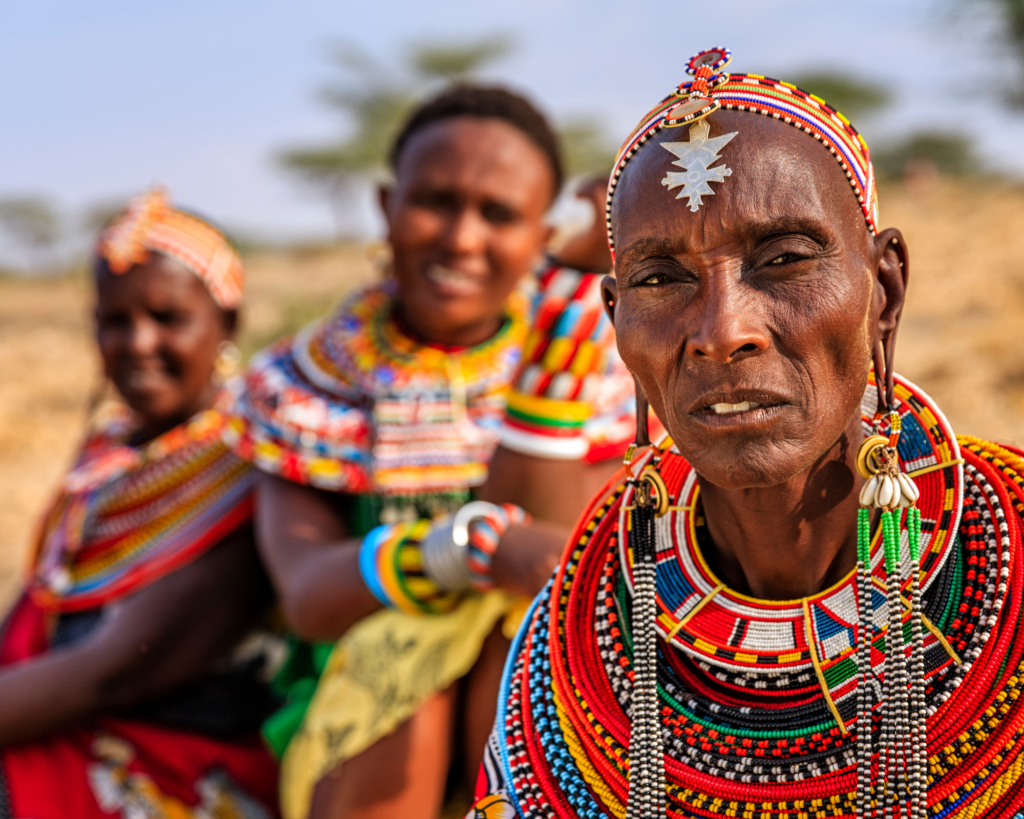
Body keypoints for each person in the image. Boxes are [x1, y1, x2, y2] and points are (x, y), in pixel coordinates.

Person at [470, 47, 1024, 819]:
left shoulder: (1013, 554)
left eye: (785, 259)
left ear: (884, 290)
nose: (723, 331)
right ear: (616, 320)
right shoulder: (573, 629)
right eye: (661, 279)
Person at [224, 85, 636, 819]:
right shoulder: (304, 385)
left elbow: (554, 566)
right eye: (436, 201)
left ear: (541, 232)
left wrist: (564, 319)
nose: (461, 237)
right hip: (354, 725)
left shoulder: (596, 371)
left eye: (499, 214)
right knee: (408, 647)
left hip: (511, 707)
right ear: (385, 206)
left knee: (526, 637)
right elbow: (311, 595)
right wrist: (466, 548)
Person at [0, 189, 279, 819]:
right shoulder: (108, 458)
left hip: (177, 769)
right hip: (66, 726)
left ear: (227, 324)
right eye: (114, 321)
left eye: (168, 318)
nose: (137, 343)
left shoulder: (247, 469)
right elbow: (42, 599)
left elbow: (113, 671)